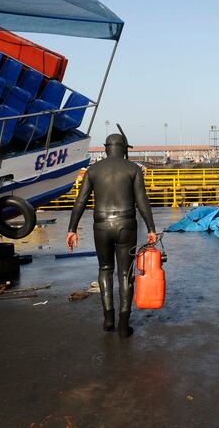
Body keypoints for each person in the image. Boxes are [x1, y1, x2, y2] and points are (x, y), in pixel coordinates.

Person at [66, 134, 157, 338]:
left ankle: (108, 319)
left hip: (101, 225)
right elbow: (142, 201)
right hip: (126, 224)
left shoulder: (93, 170)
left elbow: (80, 201)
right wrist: (151, 228)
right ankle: (124, 325)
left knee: (105, 269)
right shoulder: (133, 169)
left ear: (106, 148)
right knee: (125, 274)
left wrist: (72, 229)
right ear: (124, 148)